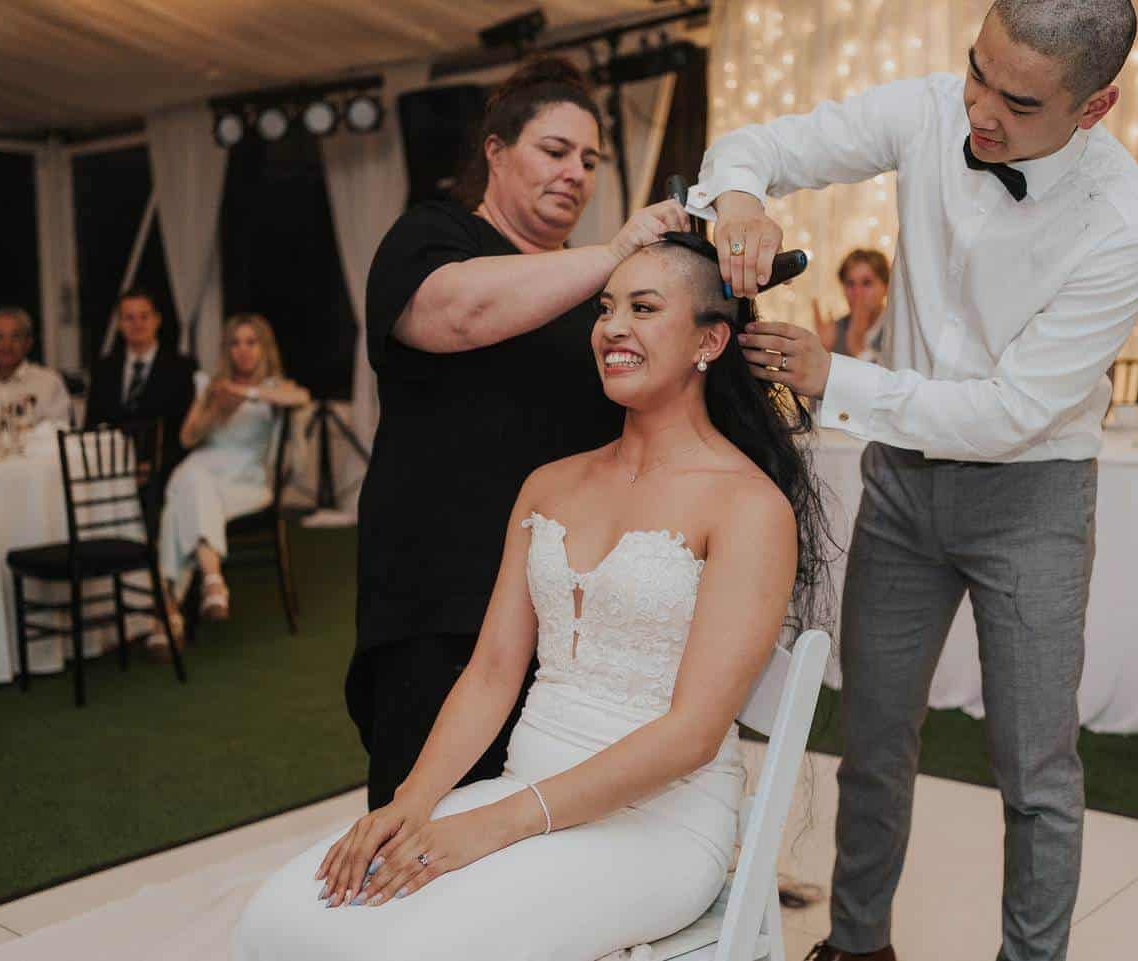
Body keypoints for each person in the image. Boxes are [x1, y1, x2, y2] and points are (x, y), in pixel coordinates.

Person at [690, 1, 1138, 959]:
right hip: (902, 487)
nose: (981, 110)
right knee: (872, 739)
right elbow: (762, 142)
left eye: (1018, 101)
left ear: (1098, 103)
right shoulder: (929, 110)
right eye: (975, 72)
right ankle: (858, 942)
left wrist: (838, 378)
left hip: (1030, 499)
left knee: (1035, 770)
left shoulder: (1125, 223)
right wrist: (737, 195)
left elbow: (1012, 411)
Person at [233, 234, 827, 961]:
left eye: (643, 307)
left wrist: (496, 825)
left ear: (710, 338)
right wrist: (412, 802)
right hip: (518, 789)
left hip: (658, 824)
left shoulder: (748, 507)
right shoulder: (549, 484)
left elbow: (693, 734)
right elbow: (489, 674)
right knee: (276, 922)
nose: (612, 327)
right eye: (606, 308)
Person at [348, 57, 692, 813]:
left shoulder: (599, 297)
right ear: (497, 154)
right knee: (425, 815)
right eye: (555, 150)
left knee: (531, 824)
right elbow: (455, 314)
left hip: (560, 614)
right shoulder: (430, 236)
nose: (576, 172)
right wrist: (612, 255)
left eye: (591, 159)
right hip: (439, 597)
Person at [156, 314, 309, 635]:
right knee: (195, 482)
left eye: (251, 342)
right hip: (203, 468)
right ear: (227, 349)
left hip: (246, 482)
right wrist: (216, 409)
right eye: (236, 343)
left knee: (178, 509)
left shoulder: (274, 387)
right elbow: (186, 438)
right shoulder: (211, 385)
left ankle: (167, 614)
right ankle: (213, 583)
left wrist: (248, 395)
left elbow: (300, 398)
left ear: (263, 347)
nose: (243, 350)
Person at [84, 287, 199, 514]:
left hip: (164, 471)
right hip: (110, 470)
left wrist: (153, 467)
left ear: (157, 320)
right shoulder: (103, 369)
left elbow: (188, 432)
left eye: (144, 316)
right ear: (119, 324)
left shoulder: (181, 368)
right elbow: (92, 425)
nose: (137, 324)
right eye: (129, 318)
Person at [813, 249, 890, 363]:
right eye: (850, 284)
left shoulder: (897, 328)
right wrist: (823, 350)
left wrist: (858, 349)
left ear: (886, 287)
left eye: (867, 283)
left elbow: (896, 378)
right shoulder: (834, 331)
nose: (857, 293)